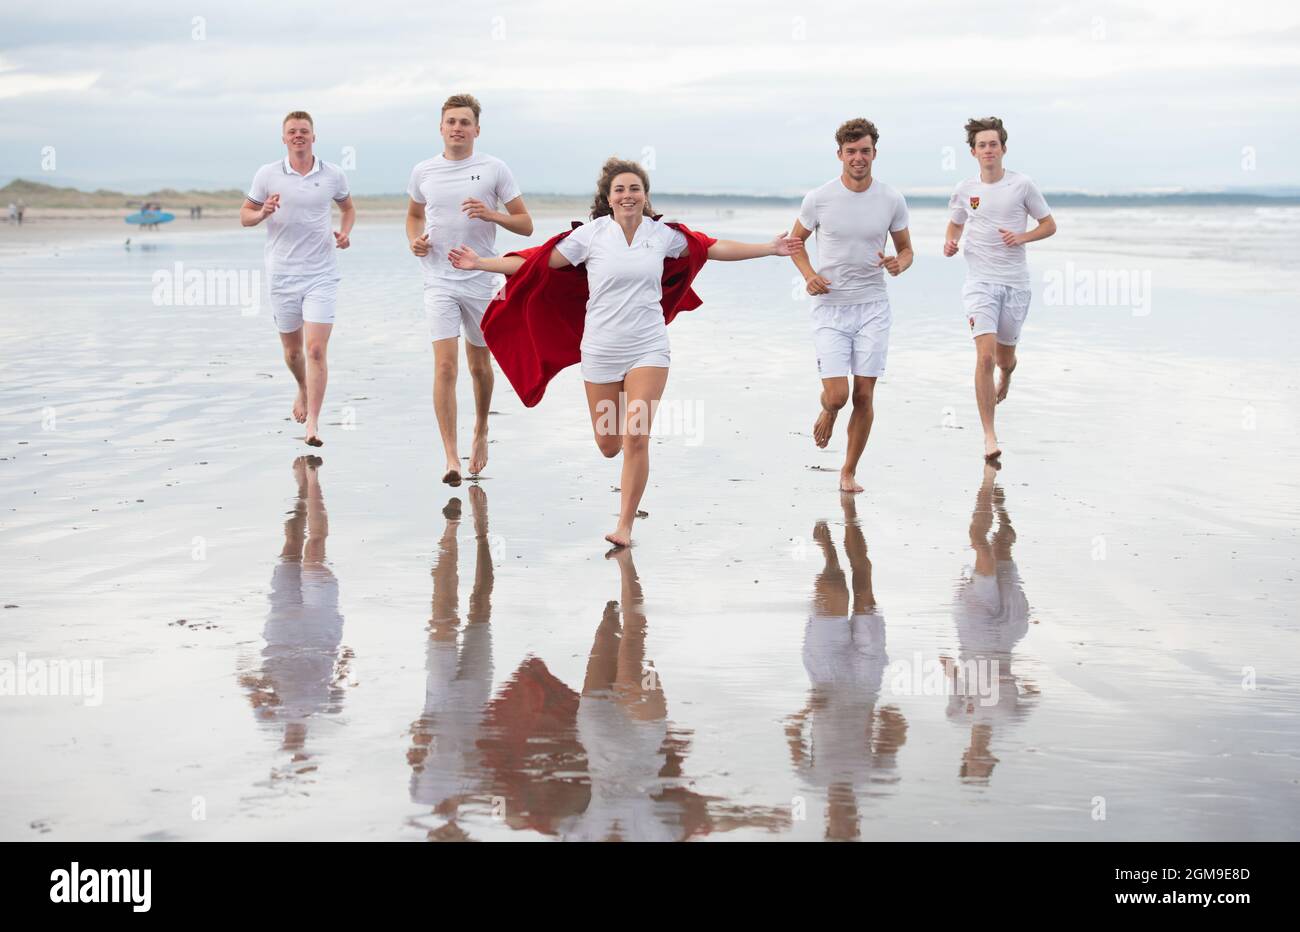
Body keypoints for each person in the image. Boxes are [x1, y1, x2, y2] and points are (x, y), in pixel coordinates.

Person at [450, 157, 801, 548]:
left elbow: (713, 247)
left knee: (636, 436)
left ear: (645, 196)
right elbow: (536, 265)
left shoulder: (662, 236)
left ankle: (625, 525)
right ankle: (622, 476)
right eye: (620, 189)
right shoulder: (591, 236)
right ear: (609, 198)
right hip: (600, 349)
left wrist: (770, 248)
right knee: (609, 444)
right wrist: (480, 263)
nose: (628, 195)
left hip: (648, 347)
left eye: (635, 188)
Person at [408, 94, 533, 486]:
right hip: (438, 278)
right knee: (445, 365)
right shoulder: (423, 171)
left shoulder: (495, 169)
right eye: (451, 122)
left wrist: (490, 213)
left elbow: (526, 225)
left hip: (482, 279)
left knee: (480, 366)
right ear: (441, 128)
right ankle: (450, 457)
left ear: (477, 129)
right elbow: (414, 216)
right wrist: (415, 242)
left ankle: (480, 430)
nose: (457, 128)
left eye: (465, 122)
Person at [789, 118, 912, 493]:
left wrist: (898, 264)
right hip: (830, 308)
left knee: (863, 395)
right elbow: (794, 243)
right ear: (839, 154)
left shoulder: (891, 199)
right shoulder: (819, 198)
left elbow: (906, 250)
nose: (859, 158)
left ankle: (848, 471)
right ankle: (827, 408)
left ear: (875, 153)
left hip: (873, 306)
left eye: (865, 151)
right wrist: (809, 274)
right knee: (840, 396)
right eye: (851, 152)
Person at [944, 116, 1057, 462]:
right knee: (985, 357)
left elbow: (1049, 225)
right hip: (979, 284)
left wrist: (1021, 237)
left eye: (994, 144)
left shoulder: (1022, 185)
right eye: (982, 145)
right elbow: (955, 223)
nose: (988, 150)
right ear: (973, 151)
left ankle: (1007, 374)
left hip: (1015, 284)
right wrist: (951, 242)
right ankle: (989, 435)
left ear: (1003, 149)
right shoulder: (965, 190)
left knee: (1004, 359)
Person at [241, 110, 355, 447]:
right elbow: (245, 216)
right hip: (282, 275)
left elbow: (348, 209)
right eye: (292, 131)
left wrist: (345, 234)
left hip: (321, 273)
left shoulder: (332, 174)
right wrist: (262, 212)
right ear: (284, 138)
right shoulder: (268, 174)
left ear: (314, 136)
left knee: (316, 350)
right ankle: (303, 387)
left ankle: (314, 426)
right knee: (293, 354)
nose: (298, 136)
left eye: (304, 131)